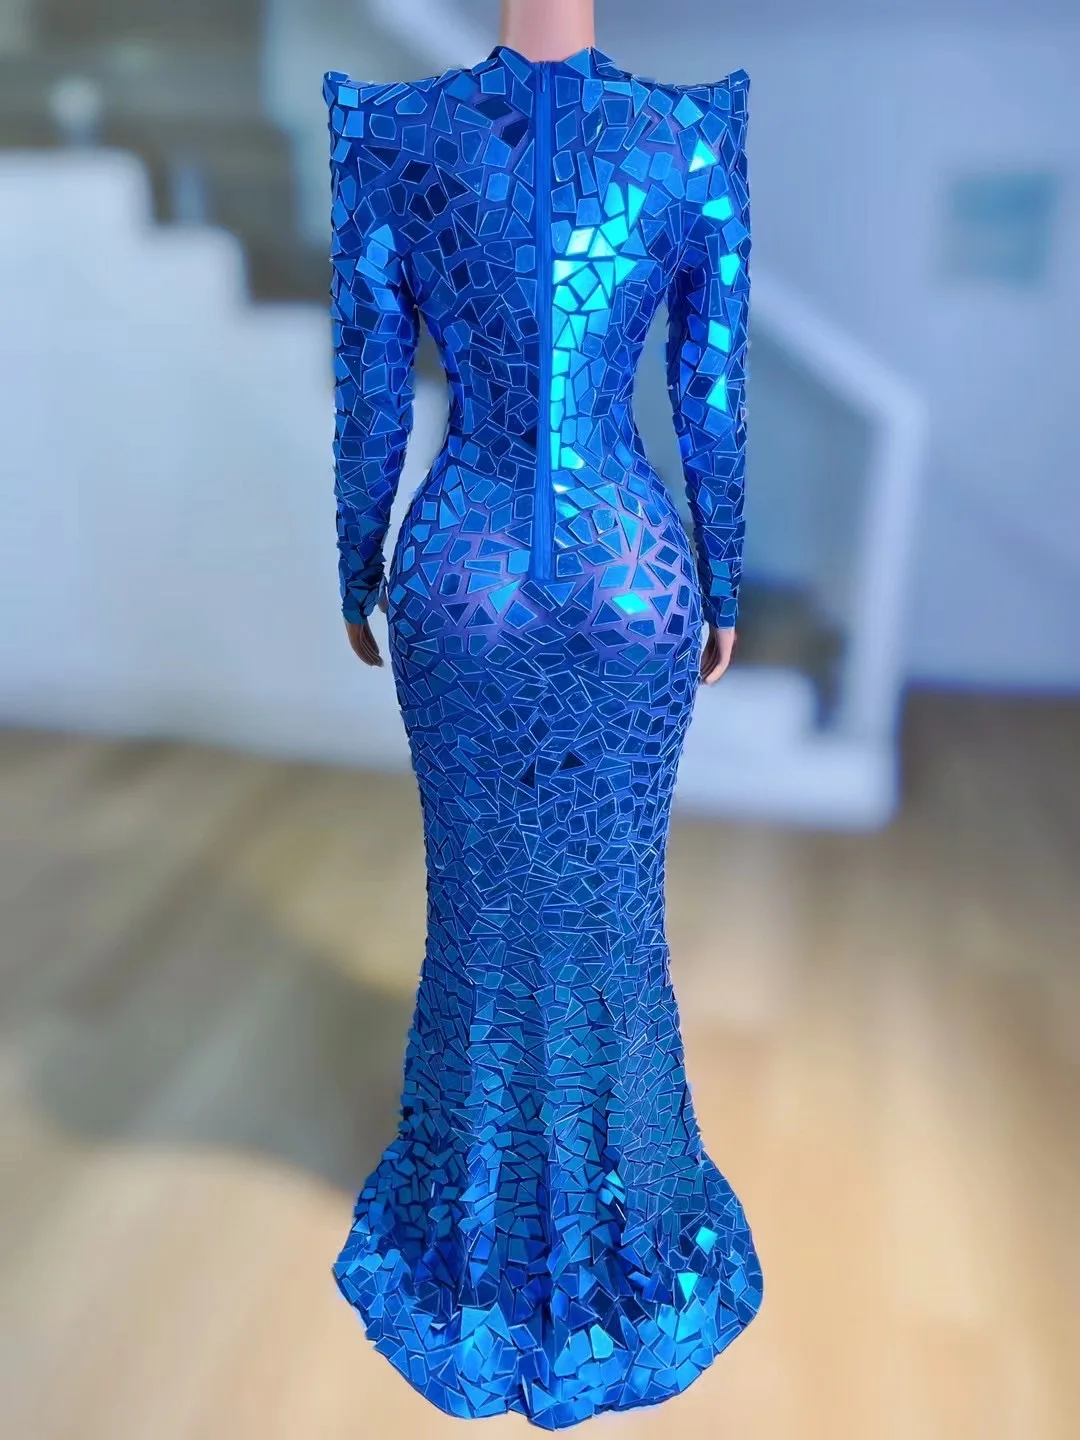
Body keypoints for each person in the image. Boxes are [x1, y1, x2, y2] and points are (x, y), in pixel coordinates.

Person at [324, 0, 761, 1426]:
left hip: (462, 574)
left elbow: (372, 387)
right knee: (613, 905)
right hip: (633, 571)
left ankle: (479, 1222)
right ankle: (628, 1215)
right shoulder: (685, 139)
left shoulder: (398, 134)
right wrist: (726, 575)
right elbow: (708, 391)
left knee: (481, 902)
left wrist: (354, 559)